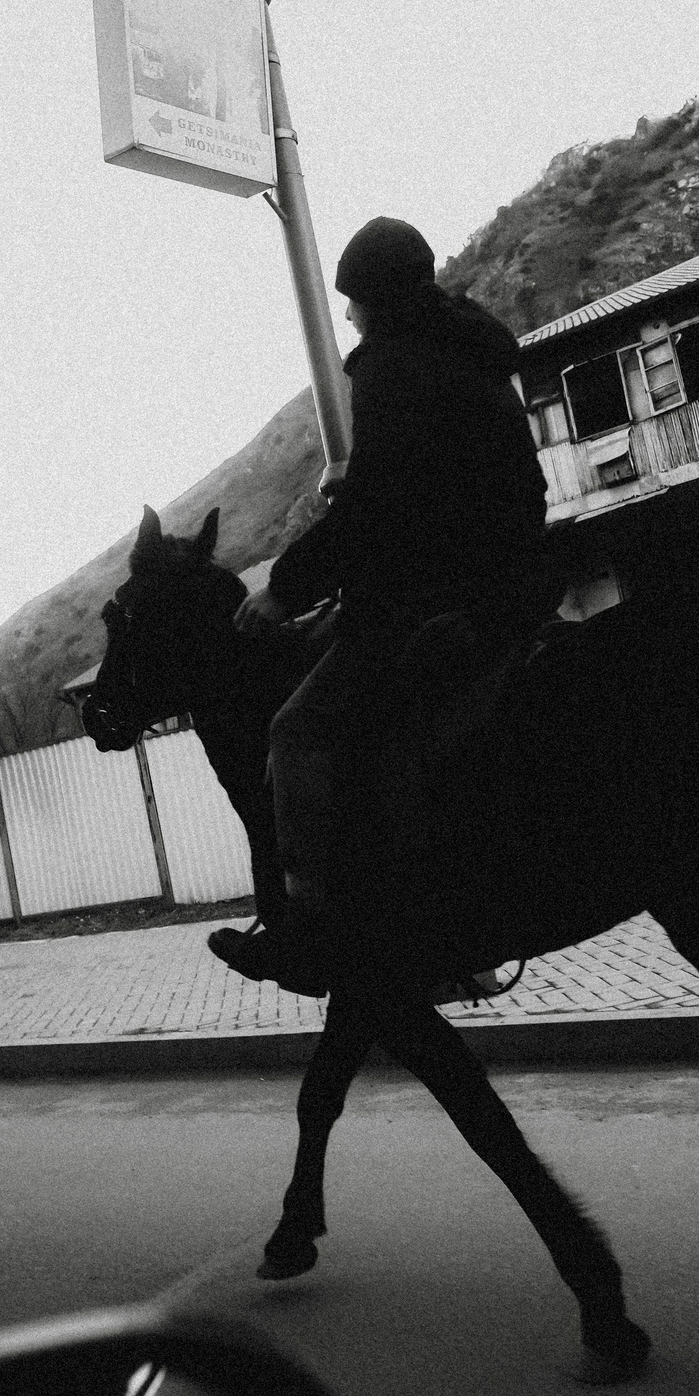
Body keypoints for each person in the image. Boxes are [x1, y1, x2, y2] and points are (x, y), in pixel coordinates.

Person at [210, 217, 550, 995]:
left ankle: (312, 927)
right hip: (511, 581)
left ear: (379, 298)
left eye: (355, 300)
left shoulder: (393, 364)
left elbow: (377, 507)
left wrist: (284, 588)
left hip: (435, 598)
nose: (350, 315)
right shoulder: (475, 349)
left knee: (296, 731)